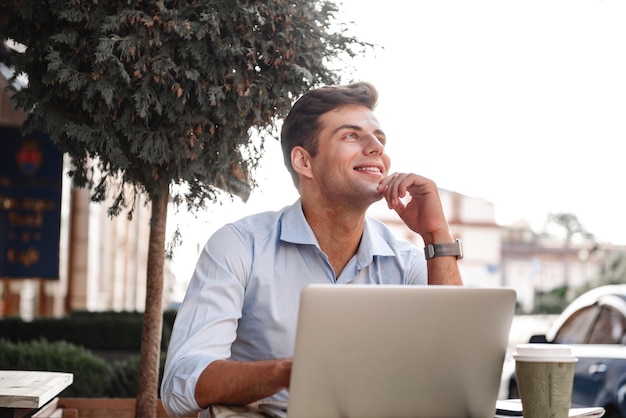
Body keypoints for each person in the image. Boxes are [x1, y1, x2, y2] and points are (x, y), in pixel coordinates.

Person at [160, 81, 463, 417]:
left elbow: (456, 373)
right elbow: (180, 384)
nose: (376, 147)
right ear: (304, 161)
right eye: (351, 135)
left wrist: (436, 234)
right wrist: (292, 372)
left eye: (379, 138)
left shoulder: (406, 261)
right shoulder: (239, 246)